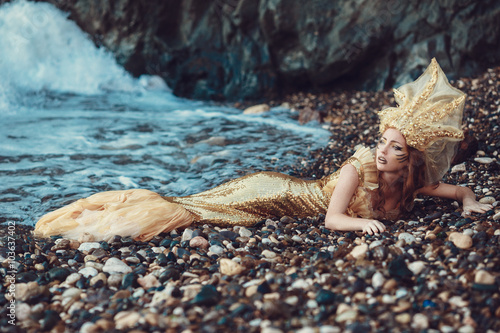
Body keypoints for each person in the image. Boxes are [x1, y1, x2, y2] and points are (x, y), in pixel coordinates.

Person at [34, 58, 493, 242]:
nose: (382, 151)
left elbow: (454, 193)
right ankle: (87, 221)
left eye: (393, 148)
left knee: (190, 209)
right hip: (270, 192)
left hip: (283, 199)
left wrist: (471, 201)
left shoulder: (410, 182)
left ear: (407, 161)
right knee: (188, 210)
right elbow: (333, 219)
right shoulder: (360, 169)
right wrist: (363, 223)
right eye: (382, 142)